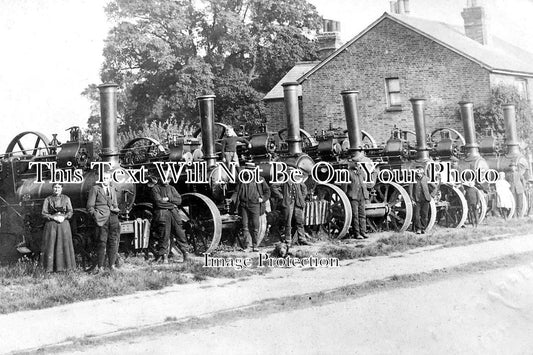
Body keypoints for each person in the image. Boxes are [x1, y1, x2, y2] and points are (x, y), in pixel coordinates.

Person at [87, 171, 121, 273]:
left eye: (107, 178)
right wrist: (96, 215)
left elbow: (115, 203)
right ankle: (100, 266)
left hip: (113, 217)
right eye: (103, 178)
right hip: (101, 218)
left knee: (113, 241)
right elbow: (90, 206)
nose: (105, 180)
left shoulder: (112, 189)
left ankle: (112, 265)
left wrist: (115, 209)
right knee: (102, 242)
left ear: (110, 179)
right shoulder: (95, 189)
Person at [233, 162, 271, 251]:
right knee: (245, 226)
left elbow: (267, 191)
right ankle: (248, 246)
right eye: (248, 170)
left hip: (255, 205)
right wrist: (232, 201)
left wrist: (263, 199)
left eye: (251, 170)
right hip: (244, 205)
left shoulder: (260, 179)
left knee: (255, 226)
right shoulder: (242, 180)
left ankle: (255, 245)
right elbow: (236, 192)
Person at [151, 178, 189, 263]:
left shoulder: (172, 188)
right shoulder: (155, 188)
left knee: (180, 233)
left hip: (174, 214)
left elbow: (179, 200)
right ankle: (164, 257)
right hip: (163, 214)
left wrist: (168, 199)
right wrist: (172, 205)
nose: (166, 180)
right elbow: (158, 203)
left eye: (168, 178)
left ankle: (186, 254)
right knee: (164, 235)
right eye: (164, 178)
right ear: (160, 178)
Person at [41, 183, 76, 272]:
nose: (57, 189)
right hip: (52, 225)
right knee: (51, 245)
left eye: (58, 187)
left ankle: (66, 267)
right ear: (52, 189)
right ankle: (50, 268)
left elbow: (70, 211)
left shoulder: (66, 198)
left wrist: (64, 217)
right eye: (55, 187)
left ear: (61, 189)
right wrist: (53, 217)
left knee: (64, 244)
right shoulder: (48, 199)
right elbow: (44, 213)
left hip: (63, 225)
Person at [271, 167, 311, 246]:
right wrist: (281, 197)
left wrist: (301, 197)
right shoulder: (283, 179)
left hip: (298, 203)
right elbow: (273, 186)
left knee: (300, 221)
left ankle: (302, 239)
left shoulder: (298, 179)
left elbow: (304, 189)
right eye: (290, 171)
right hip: (288, 203)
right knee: (288, 222)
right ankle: (288, 240)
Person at [342, 161, 369, 239]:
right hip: (353, 196)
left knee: (362, 214)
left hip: (362, 196)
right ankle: (357, 233)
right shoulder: (348, 173)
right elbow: (344, 186)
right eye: (356, 163)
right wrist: (345, 197)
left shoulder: (361, 173)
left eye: (358, 163)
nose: (357, 165)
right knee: (355, 215)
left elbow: (365, 184)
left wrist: (366, 195)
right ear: (351, 164)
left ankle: (363, 232)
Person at [412, 168, 434, 234]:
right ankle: (418, 229)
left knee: (424, 215)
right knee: (417, 215)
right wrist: (412, 199)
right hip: (417, 200)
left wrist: (431, 196)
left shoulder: (427, 179)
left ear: (423, 173)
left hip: (425, 200)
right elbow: (411, 190)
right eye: (418, 173)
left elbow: (434, 187)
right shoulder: (414, 179)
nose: (419, 174)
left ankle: (423, 228)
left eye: (420, 173)